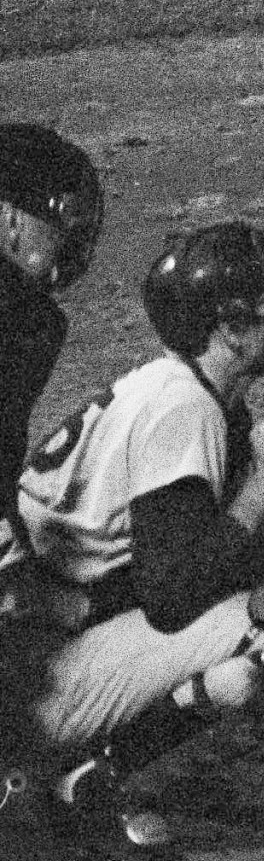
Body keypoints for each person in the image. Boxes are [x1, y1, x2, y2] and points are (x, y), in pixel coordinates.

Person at [2, 220, 264, 861]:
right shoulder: (184, 410)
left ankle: (64, 765)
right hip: (25, 681)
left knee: (263, 583)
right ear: (230, 327)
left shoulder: (179, 391)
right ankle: (79, 780)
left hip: (29, 643)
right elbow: (173, 593)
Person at [0, 126, 105, 802]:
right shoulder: (26, 317)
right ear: (7, 219)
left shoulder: (31, 318)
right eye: (57, 224)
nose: (70, 243)